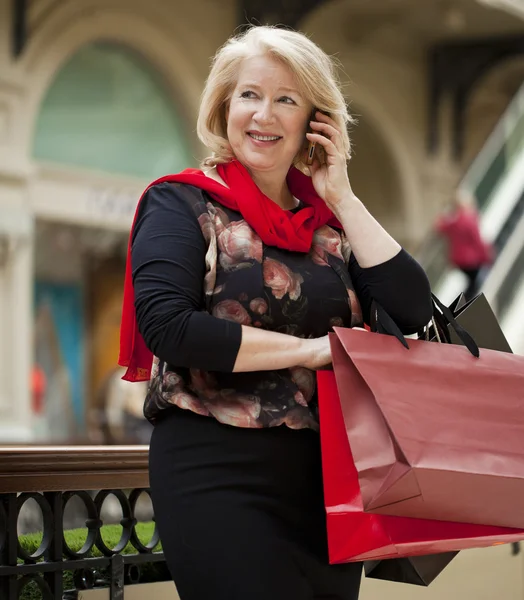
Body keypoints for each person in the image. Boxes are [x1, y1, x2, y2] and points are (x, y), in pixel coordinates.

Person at [118, 26, 433, 600]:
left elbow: (412, 307)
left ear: (316, 121)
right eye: (249, 95)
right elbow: (168, 326)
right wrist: (314, 352)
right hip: (216, 471)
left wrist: (341, 195)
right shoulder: (181, 202)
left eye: (286, 99)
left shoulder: (332, 230)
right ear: (225, 107)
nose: (263, 113)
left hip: (331, 484)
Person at [436, 190, 494, 300]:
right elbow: (477, 240)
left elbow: (440, 227)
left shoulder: (454, 220)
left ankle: (465, 302)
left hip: (458, 259)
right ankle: (466, 304)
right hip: (470, 260)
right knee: (474, 284)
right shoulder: (469, 219)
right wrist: (486, 257)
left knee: (472, 283)